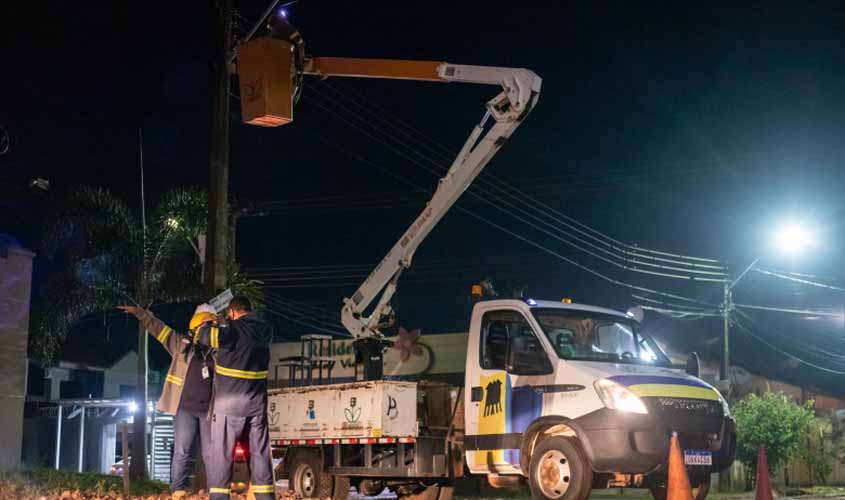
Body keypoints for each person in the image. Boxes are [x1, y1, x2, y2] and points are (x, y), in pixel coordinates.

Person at [117, 304, 217, 498]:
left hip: (209, 410)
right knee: (182, 450)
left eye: (211, 325)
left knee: (211, 454)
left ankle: (216, 491)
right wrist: (140, 313)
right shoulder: (180, 344)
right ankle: (177, 490)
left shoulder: (218, 351)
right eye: (205, 325)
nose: (208, 330)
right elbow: (158, 328)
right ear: (196, 326)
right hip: (184, 409)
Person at [195, 296, 274, 500]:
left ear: (232, 312)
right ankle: (265, 497)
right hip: (256, 406)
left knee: (221, 458)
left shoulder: (231, 331)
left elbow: (203, 336)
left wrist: (210, 322)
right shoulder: (265, 330)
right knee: (259, 457)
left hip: (228, 406)